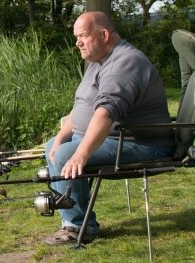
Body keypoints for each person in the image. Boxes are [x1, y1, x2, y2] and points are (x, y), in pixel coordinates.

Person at [42, 11, 176, 245]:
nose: (78, 43)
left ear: (103, 35)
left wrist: (80, 153)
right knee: (55, 145)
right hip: (115, 139)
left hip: (143, 143)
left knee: (65, 154)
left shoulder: (124, 63)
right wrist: (63, 134)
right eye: (76, 37)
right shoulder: (98, 60)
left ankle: (78, 227)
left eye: (83, 36)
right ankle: (74, 219)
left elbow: (105, 114)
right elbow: (83, 105)